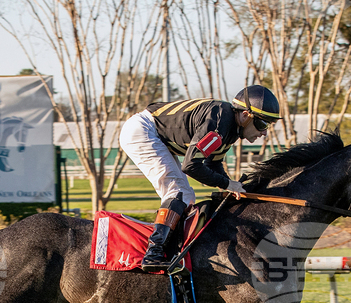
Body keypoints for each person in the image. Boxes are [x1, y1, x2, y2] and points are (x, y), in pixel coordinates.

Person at [118, 84, 281, 272]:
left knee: (186, 195)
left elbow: (213, 164)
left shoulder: (230, 128)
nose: (264, 132)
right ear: (245, 115)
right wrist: (228, 184)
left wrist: (232, 186)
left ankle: (169, 249)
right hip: (143, 131)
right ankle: (153, 254)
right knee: (178, 192)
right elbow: (191, 166)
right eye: (262, 124)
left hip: (151, 132)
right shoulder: (219, 124)